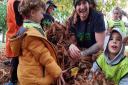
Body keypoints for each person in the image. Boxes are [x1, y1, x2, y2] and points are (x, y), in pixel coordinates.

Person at [10, 0, 62, 85]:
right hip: (33, 78)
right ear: (33, 13)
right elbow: (44, 56)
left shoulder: (26, 28)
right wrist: (57, 71)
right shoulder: (32, 36)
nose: (43, 16)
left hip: (26, 74)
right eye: (41, 13)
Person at [6, 0, 23, 84]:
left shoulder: (15, 2)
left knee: (16, 57)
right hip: (16, 32)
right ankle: (13, 80)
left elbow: (19, 20)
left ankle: (13, 80)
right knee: (15, 57)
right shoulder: (14, 2)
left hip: (17, 33)